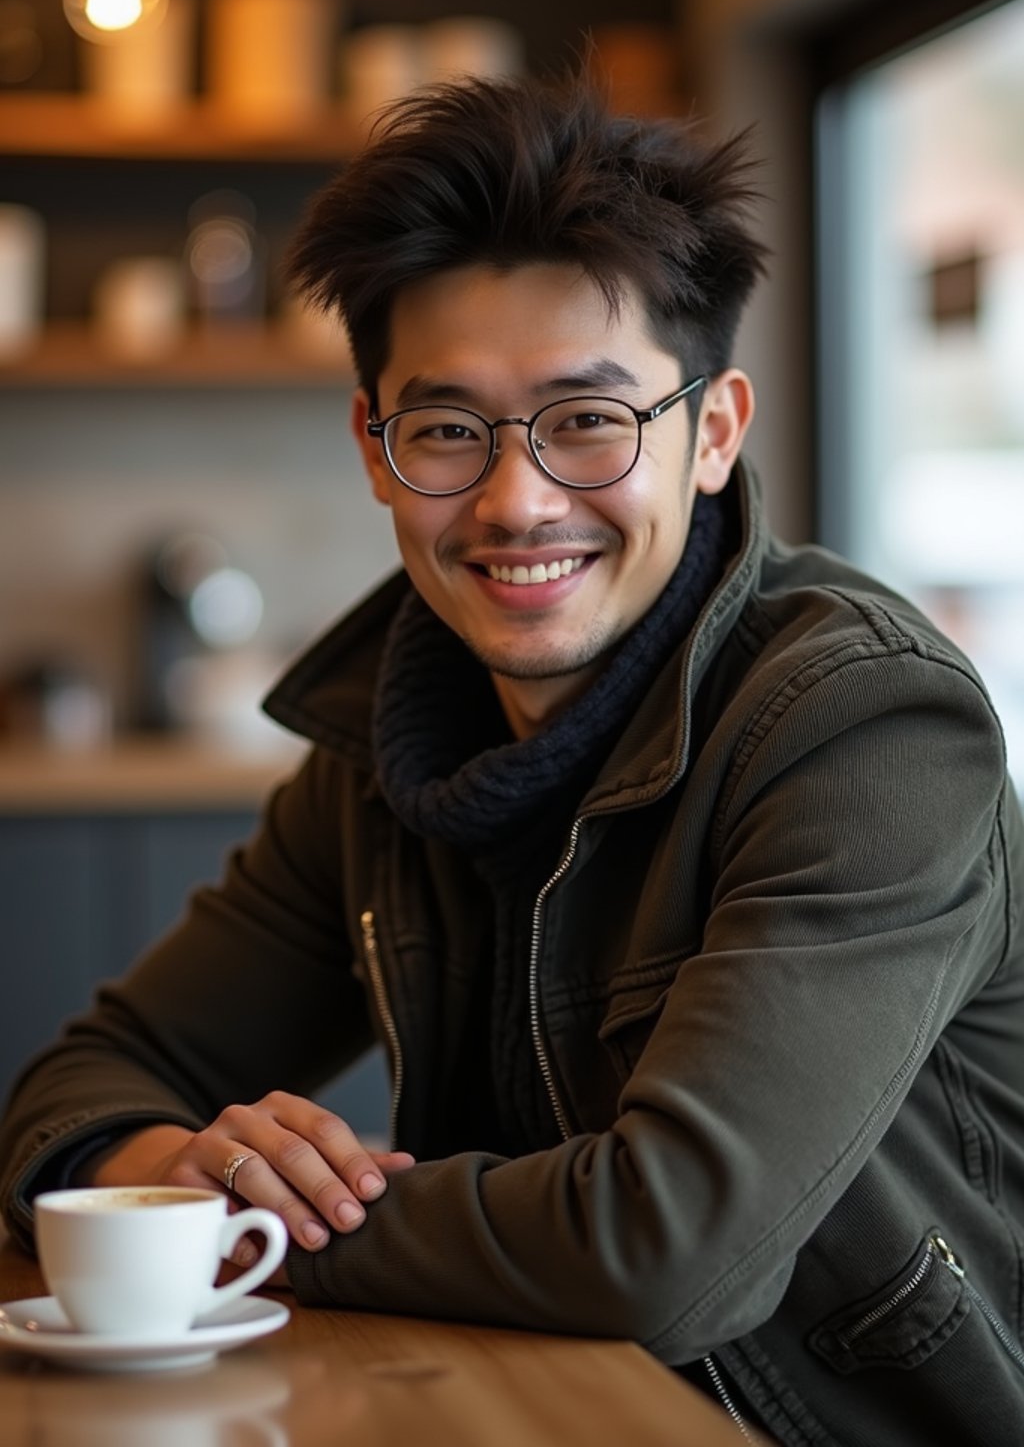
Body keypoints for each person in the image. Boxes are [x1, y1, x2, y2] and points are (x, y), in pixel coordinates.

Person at [2, 71, 1023, 1446]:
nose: (514, 498)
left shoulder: (863, 727)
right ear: (375, 447)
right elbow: (83, 1082)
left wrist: (234, 1215)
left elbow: (666, 1251)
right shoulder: (388, 749)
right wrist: (170, 1163)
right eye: (447, 428)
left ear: (711, 433)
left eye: (589, 419)